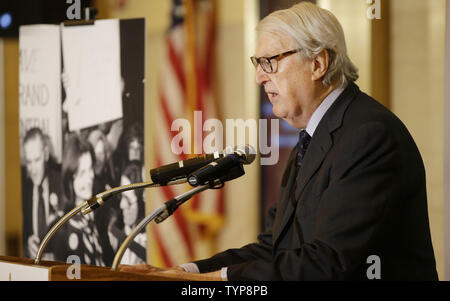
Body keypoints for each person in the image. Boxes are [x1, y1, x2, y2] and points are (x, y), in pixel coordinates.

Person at [120, 2, 438, 280]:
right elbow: (274, 247)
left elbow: (328, 263)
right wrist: (184, 273)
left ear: (318, 64)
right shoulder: (313, 135)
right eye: (257, 64)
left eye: (270, 61)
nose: (259, 77)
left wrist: (218, 280)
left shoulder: (369, 136)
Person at [59, 134, 105, 266]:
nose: (90, 177)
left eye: (90, 169)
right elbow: (72, 276)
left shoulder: (92, 218)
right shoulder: (66, 227)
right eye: (82, 173)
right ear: (70, 179)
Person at [22, 127, 63, 260]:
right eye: (29, 162)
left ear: (45, 154)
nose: (33, 169)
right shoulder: (22, 188)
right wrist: (26, 244)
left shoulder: (61, 183)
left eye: (37, 160)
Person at [108, 161, 147, 265]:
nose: (122, 205)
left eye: (128, 200)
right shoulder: (117, 229)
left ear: (143, 199)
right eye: (121, 197)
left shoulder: (146, 244)